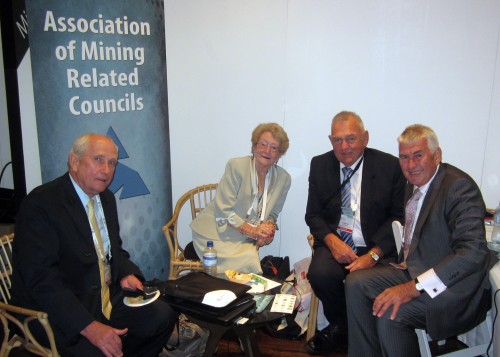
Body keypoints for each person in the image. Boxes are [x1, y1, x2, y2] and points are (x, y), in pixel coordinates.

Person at [12, 133, 177, 357]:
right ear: (74, 161)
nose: (107, 170)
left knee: (162, 316)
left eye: (112, 163)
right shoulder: (41, 205)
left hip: (102, 298)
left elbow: (114, 250)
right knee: (97, 350)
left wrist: (126, 274)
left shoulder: (105, 198)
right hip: (55, 313)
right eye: (98, 159)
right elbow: (42, 281)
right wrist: (89, 326)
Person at [345, 124, 498, 357]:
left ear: (437, 155)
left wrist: (413, 288)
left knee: (391, 312)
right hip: (416, 268)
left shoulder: (458, 187)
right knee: (355, 282)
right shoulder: (414, 183)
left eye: (418, 155)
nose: (410, 164)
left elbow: (472, 253)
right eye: (404, 157)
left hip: (455, 290)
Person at [305, 111, 406, 354]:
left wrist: (373, 255)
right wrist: (331, 241)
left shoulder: (390, 166)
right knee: (319, 274)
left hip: (376, 245)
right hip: (336, 243)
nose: (344, 146)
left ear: (365, 138)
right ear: (330, 140)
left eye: (351, 138)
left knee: (358, 282)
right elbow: (313, 215)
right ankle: (348, 328)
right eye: (337, 140)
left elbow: (399, 217)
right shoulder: (320, 164)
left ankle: (343, 331)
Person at [189, 122, 291, 273]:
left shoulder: (283, 179)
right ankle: (224, 293)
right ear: (254, 147)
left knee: (250, 260)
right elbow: (223, 210)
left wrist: (268, 229)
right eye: (263, 144)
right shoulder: (236, 166)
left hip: (244, 239)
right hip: (215, 233)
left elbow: (273, 214)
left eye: (274, 148)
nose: (267, 150)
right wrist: (253, 231)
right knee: (250, 263)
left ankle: (236, 293)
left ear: (279, 154)